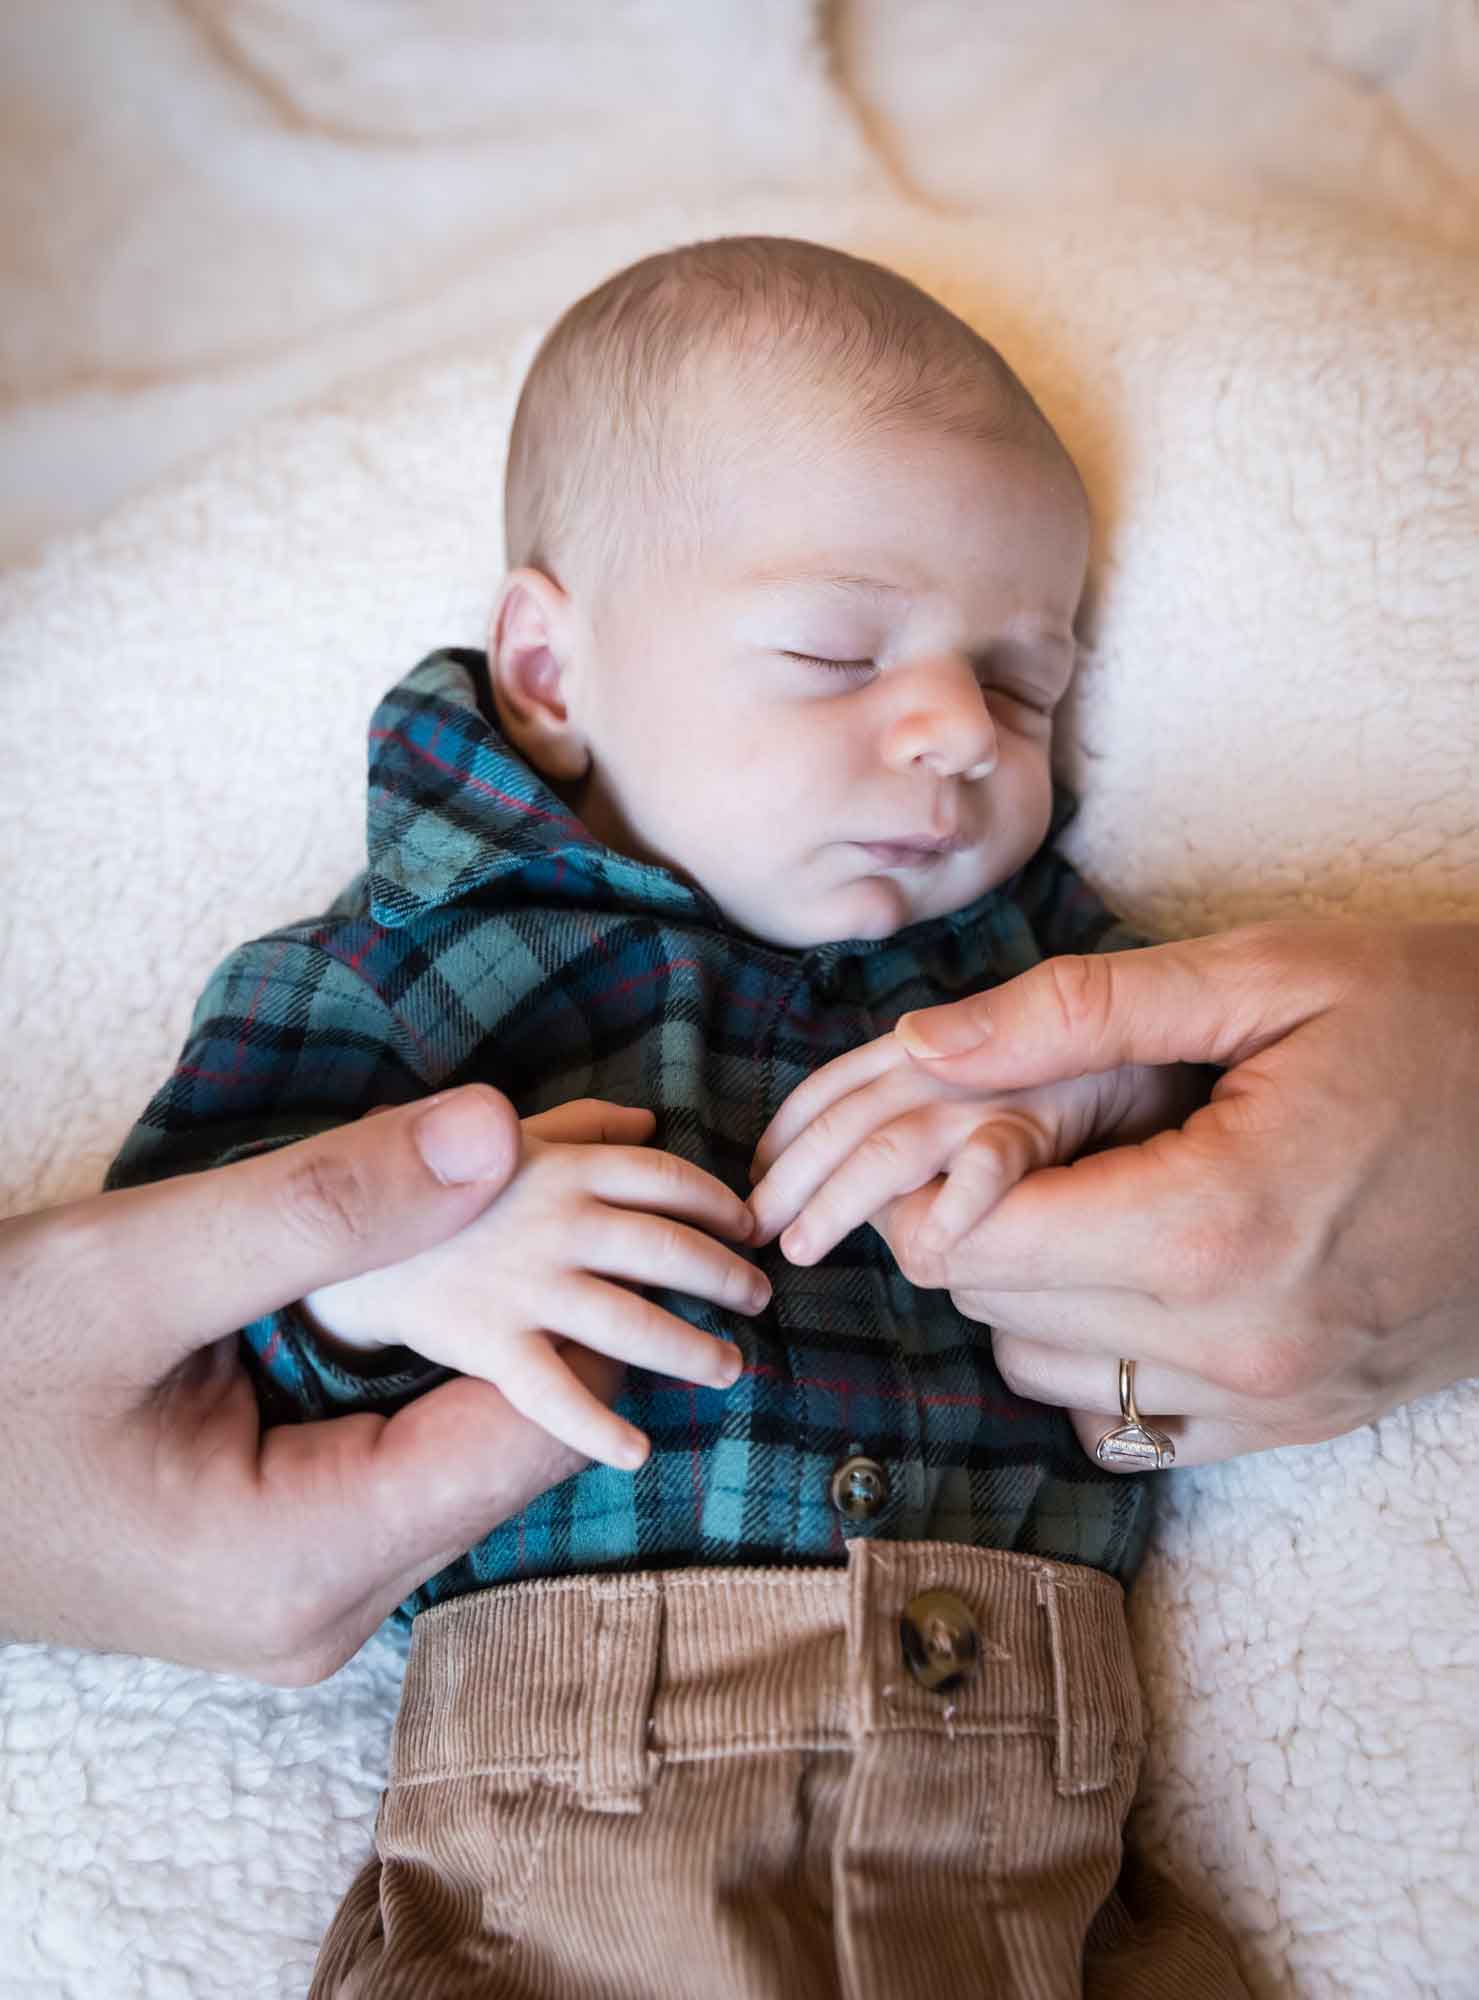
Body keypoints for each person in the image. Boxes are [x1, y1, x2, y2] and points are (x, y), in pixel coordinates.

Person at [104, 235, 1261, 1996]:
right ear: (552, 674)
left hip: (1041, 1822)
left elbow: (1245, 1120)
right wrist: (398, 1281)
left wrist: (1095, 1091)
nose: (956, 730)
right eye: (833, 650)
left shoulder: (1030, 971)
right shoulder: (407, 971)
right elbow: (167, 1321)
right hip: (572, 1839)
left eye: (1022, 684)